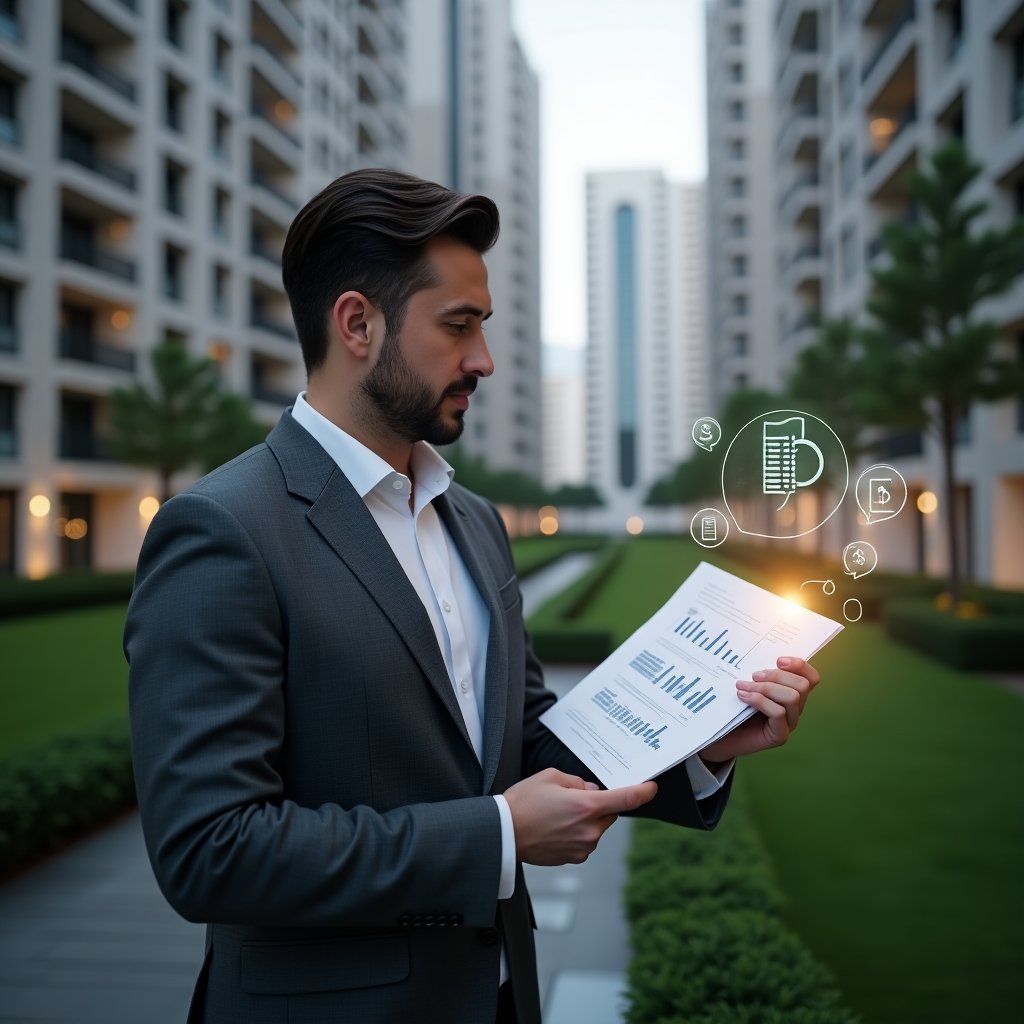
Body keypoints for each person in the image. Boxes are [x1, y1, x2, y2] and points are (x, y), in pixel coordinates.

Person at [125, 168, 820, 1024]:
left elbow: (525, 738)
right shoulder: (224, 530)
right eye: (459, 327)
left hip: (496, 997)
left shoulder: (474, 520)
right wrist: (495, 837)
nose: (483, 360)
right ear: (357, 323)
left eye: (483, 327)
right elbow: (210, 851)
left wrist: (706, 747)